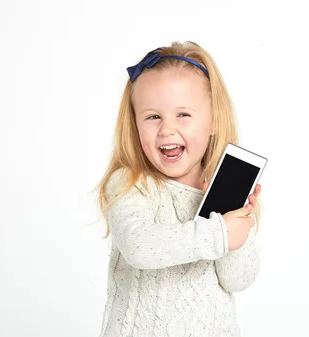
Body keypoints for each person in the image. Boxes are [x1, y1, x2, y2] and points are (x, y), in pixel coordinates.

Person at [95, 41, 262, 337]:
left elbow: (237, 280)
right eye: (152, 116)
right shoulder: (129, 184)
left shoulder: (219, 194)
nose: (167, 129)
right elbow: (139, 246)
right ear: (134, 125)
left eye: (183, 115)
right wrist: (217, 233)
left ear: (212, 121)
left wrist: (237, 233)